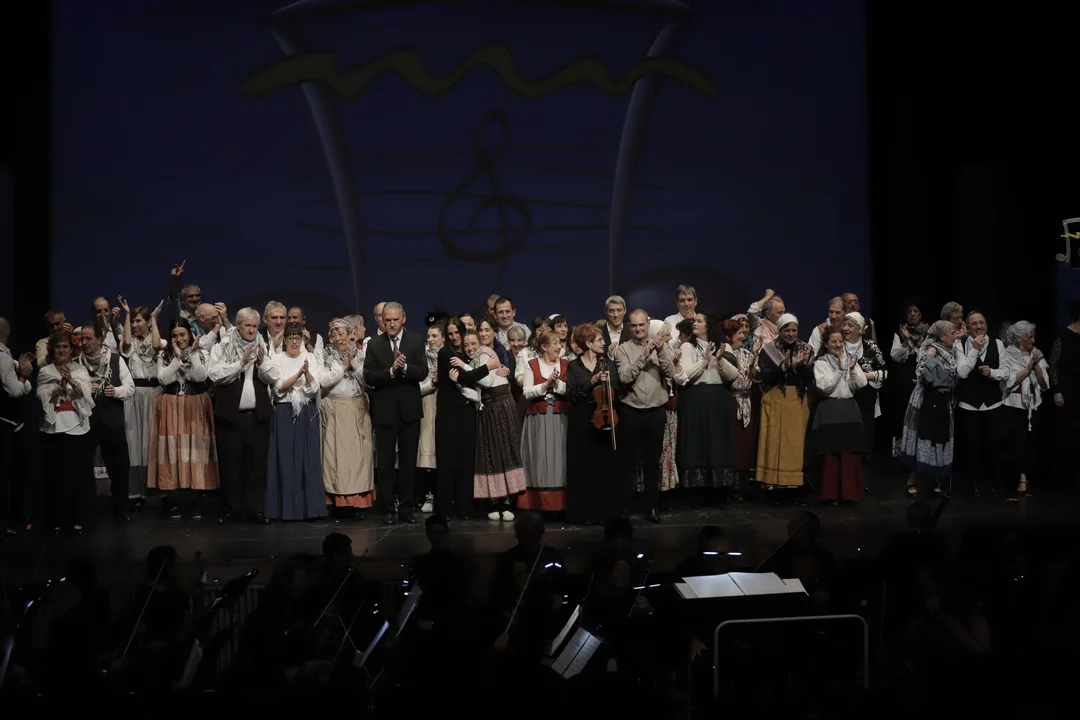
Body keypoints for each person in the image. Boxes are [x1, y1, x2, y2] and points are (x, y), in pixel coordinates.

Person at [147, 317, 219, 519]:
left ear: (190, 334)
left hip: (195, 405)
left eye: (182, 335)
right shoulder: (165, 354)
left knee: (195, 452)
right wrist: (177, 359)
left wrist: (191, 355)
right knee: (172, 451)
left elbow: (200, 377)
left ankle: (194, 501)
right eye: (174, 336)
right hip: (171, 405)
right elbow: (164, 378)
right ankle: (173, 500)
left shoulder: (202, 353)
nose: (179, 339)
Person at [363, 301, 427, 525]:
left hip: (409, 412)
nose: (391, 324)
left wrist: (405, 368)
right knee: (386, 463)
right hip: (385, 411)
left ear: (404, 319)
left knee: (408, 462)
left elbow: (423, 372)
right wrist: (391, 371)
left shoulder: (415, 341)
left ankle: (407, 508)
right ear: (382, 320)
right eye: (387, 320)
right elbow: (369, 376)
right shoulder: (374, 344)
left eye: (395, 320)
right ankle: (388, 508)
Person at [209, 308, 273, 525]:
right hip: (230, 417)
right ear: (238, 326)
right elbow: (215, 375)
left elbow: (273, 377)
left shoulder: (262, 346)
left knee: (256, 466)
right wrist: (241, 363)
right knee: (231, 466)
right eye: (247, 326)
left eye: (255, 326)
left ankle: (255, 509)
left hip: (257, 417)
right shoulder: (222, 347)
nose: (252, 330)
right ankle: (233, 509)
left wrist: (262, 363)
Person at [616, 310, 676, 523]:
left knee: (652, 462)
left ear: (648, 324)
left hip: (656, 411)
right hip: (631, 410)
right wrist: (644, 355)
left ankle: (652, 506)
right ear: (629, 327)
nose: (638, 329)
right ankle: (625, 507)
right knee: (628, 462)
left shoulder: (661, 346)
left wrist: (660, 351)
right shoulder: (623, 349)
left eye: (641, 325)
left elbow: (671, 373)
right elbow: (625, 376)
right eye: (634, 326)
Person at [262, 322, 327, 521]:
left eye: (297, 338)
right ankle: (286, 509)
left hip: (306, 412)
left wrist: (306, 373)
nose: (294, 342)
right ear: (284, 340)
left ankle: (311, 509)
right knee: (285, 460)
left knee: (308, 459)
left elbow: (314, 388)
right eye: (290, 338)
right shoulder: (278, 359)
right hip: (284, 412)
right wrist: (298, 375)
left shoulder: (309, 358)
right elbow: (278, 387)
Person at [37, 330, 96, 534]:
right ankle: (57, 519)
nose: (61, 350)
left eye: (65, 346)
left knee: (78, 477)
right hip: (54, 429)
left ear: (71, 349)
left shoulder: (79, 369)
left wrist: (70, 380)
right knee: (56, 476)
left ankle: (78, 518)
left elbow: (84, 393)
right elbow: (41, 393)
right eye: (58, 347)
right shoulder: (46, 371)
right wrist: (56, 391)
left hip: (77, 429)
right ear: (52, 350)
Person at [565, 324, 623, 524]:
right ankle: (583, 513)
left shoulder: (607, 364)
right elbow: (572, 395)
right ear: (588, 343)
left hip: (603, 416)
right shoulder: (573, 366)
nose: (603, 343)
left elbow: (616, 390)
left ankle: (605, 512)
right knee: (583, 466)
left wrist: (607, 383)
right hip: (581, 419)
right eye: (599, 340)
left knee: (603, 467)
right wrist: (592, 382)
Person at [899, 320, 960, 497]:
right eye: (952, 333)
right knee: (921, 438)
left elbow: (955, 378)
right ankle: (912, 480)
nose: (956, 337)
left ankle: (937, 479)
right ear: (942, 336)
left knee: (939, 439)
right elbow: (930, 378)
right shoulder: (930, 350)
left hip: (943, 401)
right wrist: (931, 358)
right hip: (926, 399)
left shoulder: (953, 353)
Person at [811, 327, 868, 504]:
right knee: (831, 456)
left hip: (849, 411)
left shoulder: (849, 359)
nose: (837, 345)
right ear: (826, 344)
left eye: (840, 341)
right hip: (830, 411)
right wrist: (839, 370)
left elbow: (860, 383)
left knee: (849, 455)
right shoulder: (821, 363)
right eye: (833, 341)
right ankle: (831, 495)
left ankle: (849, 494)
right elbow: (824, 387)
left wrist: (851, 369)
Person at [755, 314, 813, 489]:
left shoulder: (806, 349)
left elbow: (810, 378)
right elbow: (766, 377)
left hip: (797, 400)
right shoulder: (768, 350)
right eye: (787, 330)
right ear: (779, 331)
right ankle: (772, 481)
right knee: (774, 440)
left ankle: (793, 482)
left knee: (794, 442)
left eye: (794, 330)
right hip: (775, 398)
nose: (791, 334)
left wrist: (798, 366)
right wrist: (785, 366)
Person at [0, 317, 33, 534]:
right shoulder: (3, 357)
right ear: (8, 332)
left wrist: (22, 375)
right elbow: (16, 391)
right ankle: (7, 522)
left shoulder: (6, 357)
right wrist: (22, 375)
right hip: (4, 424)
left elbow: (25, 387)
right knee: (7, 475)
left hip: (9, 424)